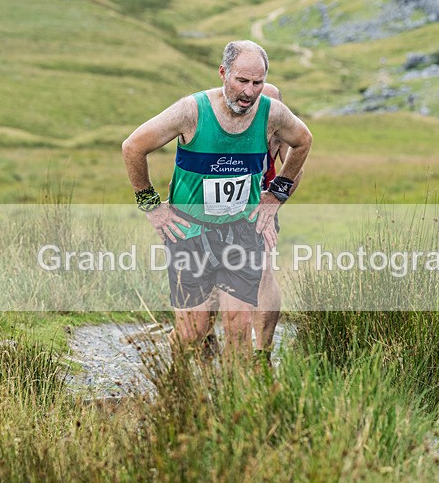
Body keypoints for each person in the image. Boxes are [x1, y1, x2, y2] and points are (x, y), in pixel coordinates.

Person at [123, 40, 312, 362]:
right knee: (192, 332)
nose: (250, 92)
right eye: (242, 81)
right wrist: (152, 206)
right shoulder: (191, 111)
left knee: (238, 330)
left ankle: (241, 397)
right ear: (223, 73)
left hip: (242, 230)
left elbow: (303, 141)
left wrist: (274, 196)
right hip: (191, 231)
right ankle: (175, 388)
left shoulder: (272, 112)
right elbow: (133, 147)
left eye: (258, 83)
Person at [203, 82, 301, 363]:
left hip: (259, 205)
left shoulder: (279, 124)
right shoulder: (219, 118)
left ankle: (262, 352)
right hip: (214, 207)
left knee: (263, 271)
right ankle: (209, 338)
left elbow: (298, 163)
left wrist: (274, 200)